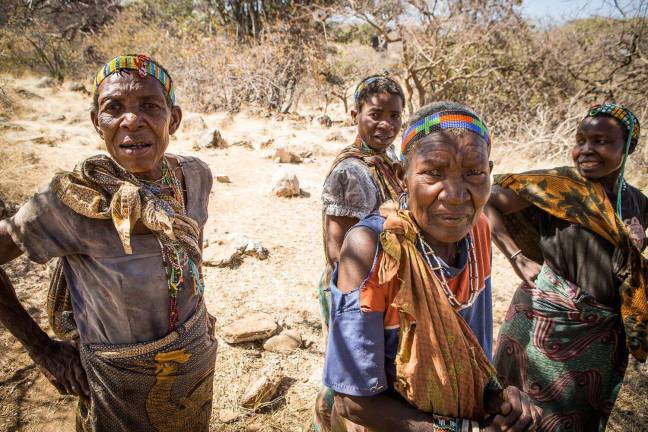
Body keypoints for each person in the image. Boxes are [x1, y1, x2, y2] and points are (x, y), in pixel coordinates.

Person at [0, 54, 217, 431]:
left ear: (174, 119)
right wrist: (44, 350)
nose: (131, 120)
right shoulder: (71, 201)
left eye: (149, 105)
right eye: (113, 108)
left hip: (194, 369)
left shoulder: (195, 177)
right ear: (97, 124)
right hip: (117, 387)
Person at [323, 101, 542, 431]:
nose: (455, 195)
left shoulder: (478, 230)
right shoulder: (373, 249)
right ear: (402, 177)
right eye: (433, 173)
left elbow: (467, 356)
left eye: (474, 173)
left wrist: (500, 399)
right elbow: (354, 401)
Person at [486, 103, 647, 431]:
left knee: (575, 421)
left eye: (601, 141)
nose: (587, 149)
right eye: (581, 140)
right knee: (518, 415)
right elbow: (486, 200)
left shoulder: (639, 204)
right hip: (546, 323)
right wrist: (517, 257)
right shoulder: (558, 187)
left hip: (602, 338)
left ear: (628, 146)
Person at [315, 75, 405, 431]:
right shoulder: (352, 171)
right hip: (353, 288)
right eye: (375, 114)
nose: (386, 124)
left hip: (380, 286)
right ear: (355, 114)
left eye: (395, 115)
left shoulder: (388, 159)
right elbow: (339, 251)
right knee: (346, 378)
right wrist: (360, 300)